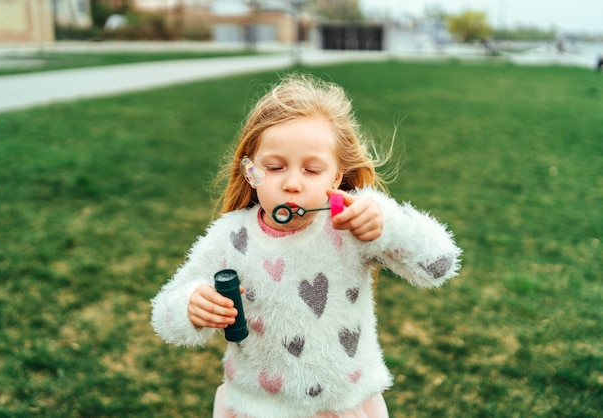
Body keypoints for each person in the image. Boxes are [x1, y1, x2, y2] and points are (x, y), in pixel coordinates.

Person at [150, 73, 462, 418]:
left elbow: (439, 266)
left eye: (312, 170)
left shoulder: (353, 225)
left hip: (342, 407)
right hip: (258, 409)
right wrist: (189, 306)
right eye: (275, 166)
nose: (293, 184)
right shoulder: (230, 236)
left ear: (336, 175)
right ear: (250, 171)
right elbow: (165, 315)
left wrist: (388, 226)